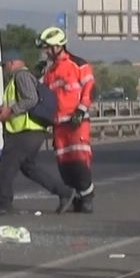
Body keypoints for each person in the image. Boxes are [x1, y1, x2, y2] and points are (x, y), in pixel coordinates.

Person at [0, 51, 75, 216]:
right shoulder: (17, 80)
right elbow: (6, 109)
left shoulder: (21, 76)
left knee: (6, 165)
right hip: (31, 132)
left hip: (26, 132)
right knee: (29, 168)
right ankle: (65, 193)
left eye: (5, 65)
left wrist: (12, 110)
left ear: (12, 62)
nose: (4, 69)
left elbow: (31, 99)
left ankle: (5, 204)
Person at [37, 26, 96, 213]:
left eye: (48, 47)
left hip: (76, 122)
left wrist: (80, 110)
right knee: (65, 165)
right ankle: (76, 197)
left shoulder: (78, 64)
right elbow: (43, 95)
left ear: (58, 46)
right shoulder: (49, 71)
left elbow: (89, 88)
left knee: (79, 161)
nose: (45, 51)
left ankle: (87, 198)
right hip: (59, 125)